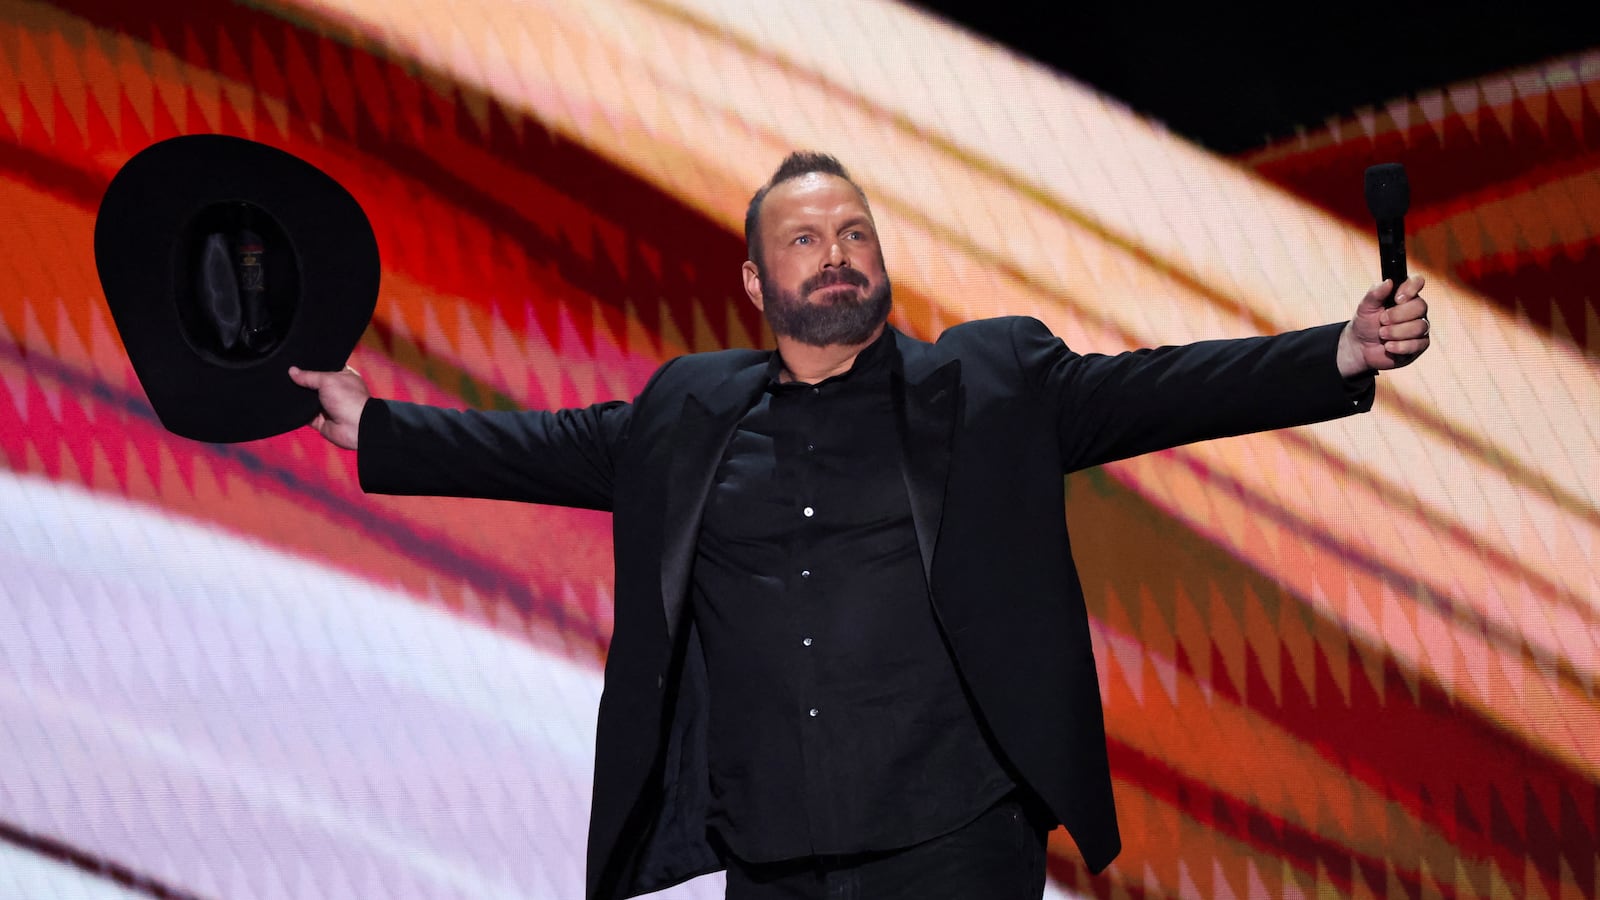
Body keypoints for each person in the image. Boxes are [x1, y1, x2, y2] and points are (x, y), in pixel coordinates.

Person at [289, 152, 1431, 900]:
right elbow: (550, 449)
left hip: (954, 843)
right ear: (753, 278)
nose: (834, 251)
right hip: (775, 856)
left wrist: (1336, 349)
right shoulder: (690, 410)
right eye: (803, 237)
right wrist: (377, 427)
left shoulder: (990, 382)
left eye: (853, 232)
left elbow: (1159, 389)